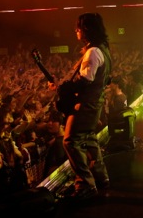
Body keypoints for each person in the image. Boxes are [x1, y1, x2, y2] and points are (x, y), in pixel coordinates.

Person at [48, 13, 111, 201]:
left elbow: (85, 82)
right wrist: (61, 87)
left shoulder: (93, 52)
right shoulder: (103, 49)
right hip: (94, 102)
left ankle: (85, 184)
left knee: (70, 141)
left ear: (86, 29)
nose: (76, 31)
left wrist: (63, 88)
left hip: (86, 104)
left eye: (78, 27)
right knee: (88, 137)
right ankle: (100, 176)